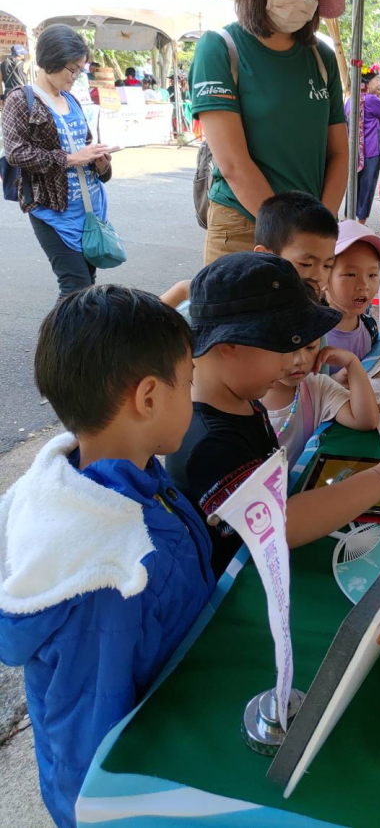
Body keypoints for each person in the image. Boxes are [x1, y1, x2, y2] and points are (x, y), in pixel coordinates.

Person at [0, 287, 216, 827]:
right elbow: (90, 727)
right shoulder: (107, 572)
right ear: (148, 398)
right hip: (121, 793)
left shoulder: (128, 476)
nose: (193, 395)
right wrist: (108, 813)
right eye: (188, 383)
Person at [166, 252, 380, 575]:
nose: (290, 363)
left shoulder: (241, 396)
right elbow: (278, 525)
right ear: (231, 345)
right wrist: (378, 481)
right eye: (283, 347)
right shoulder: (209, 442)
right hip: (232, 588)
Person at [189, 0, 348, 264]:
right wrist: (287, 233)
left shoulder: (322, 57)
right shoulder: (219, 47)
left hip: (308, 233)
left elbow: (338, 154)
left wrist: (319, 225)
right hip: (244, 225)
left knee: (306, 317)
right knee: (239, 316)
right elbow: (233, 164)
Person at [0, 25, 113, 298]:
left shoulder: (71, 99)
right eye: (71, 69)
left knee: (87, 282)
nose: (76, 76)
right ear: (51, 60)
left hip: (88, 206)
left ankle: (80, 339)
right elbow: (16, 152)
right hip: (50, 209)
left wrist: (100, 161)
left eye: (80, 70)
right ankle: (57, 341)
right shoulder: (20, 99)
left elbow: (85, 144)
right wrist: (70, 158)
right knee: (75, 288)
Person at [159, 190, 339, 314]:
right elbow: (145, 322)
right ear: (265, 255)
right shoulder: (234, 298)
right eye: (306, 264)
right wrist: (184, 289)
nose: (318, 276)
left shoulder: (315, 310)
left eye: (328, 265)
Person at [263, 334, 379, 468]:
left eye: (310, 347)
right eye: (287, 349)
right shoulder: (247, 397)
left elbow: (365, 420)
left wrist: (352, 363)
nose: (300, 360)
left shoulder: (317, 386)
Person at [323, 220, 380, 359]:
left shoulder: (370, 327)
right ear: (324, 277)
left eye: (372, 275)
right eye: (351, 274)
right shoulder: (311, 337)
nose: (364, 285)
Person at [345, 62, 380, 223]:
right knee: (366, 190)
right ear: (366, 83)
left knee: (353, 188)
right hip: (371, 152)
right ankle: (361, 224)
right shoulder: (372, 100)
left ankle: (346, 220)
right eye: (377, 80)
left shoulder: (351, 100)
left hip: (354, 153)